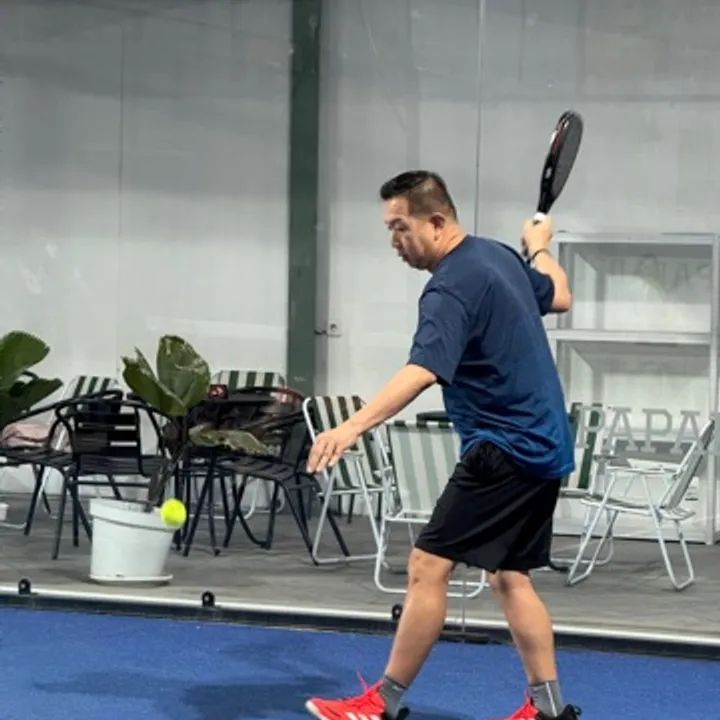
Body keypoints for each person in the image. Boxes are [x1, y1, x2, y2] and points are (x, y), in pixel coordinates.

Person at [303, 170, 580, 720]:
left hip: (505, 448)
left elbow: (424, 369)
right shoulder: (498, 256)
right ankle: (548, 709)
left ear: (435, 222)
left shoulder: (450, 286)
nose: (393, 241)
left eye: (399, 227)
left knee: (428, 565)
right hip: (547, 445)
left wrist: (351, 426)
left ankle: (380, 704)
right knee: (509, 576)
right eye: (389, 229)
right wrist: (539, 247)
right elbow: (561, 294)